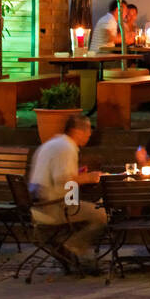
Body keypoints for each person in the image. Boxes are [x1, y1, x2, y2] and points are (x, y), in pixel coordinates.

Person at [27, 113, 105, 273]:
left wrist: (78, 175)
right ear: (77, 131)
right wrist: (89, 178)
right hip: (54, 206)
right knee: (102, 214)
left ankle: (71, 249)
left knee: (89, 206)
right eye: (88, 130)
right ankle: (74, 245)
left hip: (38, 205)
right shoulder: (67, 148)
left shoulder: (54, 143)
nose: (90, 134)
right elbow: (63, 179)